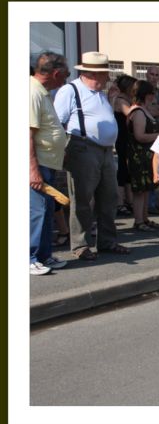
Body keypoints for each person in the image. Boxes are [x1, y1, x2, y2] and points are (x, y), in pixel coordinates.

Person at [54, 51, 130, 260]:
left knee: (109, 197)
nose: (108, 77)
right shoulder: (70, 91)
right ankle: (80, 245)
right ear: (93, 74)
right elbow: (58, 123)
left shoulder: (100, 94)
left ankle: (107, 241)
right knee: (83, 198)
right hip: (83, 147)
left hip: (105, 150)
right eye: (106, 73)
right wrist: (62, 151)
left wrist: (111, 100)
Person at [30, 51, 70, 275]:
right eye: (66, 74)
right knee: (37, 212)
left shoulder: (42, 92)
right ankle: (30, 257)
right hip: (38, 165)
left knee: (46, 212)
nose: (66, 79)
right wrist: (33, 171)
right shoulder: (32, 92)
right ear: (56, 73)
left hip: (48, 163)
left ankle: (43, 256)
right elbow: (27, 134)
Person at [126, 79, 159, 232]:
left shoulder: (143, 109)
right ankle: (139, 220)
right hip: (139, 155)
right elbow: (139, 136)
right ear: (144, 94)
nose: (153, 96)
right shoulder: (138, 112)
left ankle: (145, 218)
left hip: (147, 155)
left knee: (147, 188)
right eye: (151, 93)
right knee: (140, 190)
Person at [111, 74, 137, 217]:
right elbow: (131, 114)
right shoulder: (120, 100)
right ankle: (119, 202)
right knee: (122, 169)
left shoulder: (126, 99)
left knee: (128, 171)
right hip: (122, 138)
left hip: (127, 138)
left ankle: (129, 201)